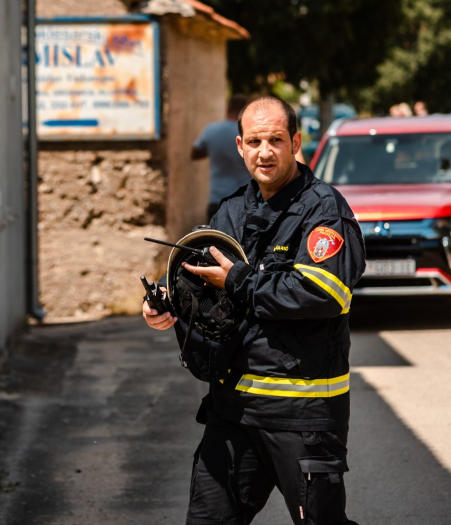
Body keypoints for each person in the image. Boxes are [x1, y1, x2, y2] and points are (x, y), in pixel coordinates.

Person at [145, 95, 365, 525]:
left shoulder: (324, 209)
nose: (265, 152)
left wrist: (238, 280)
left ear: (295, 143)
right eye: (255, 141)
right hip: (233, 412)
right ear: (240, 146)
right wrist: (164, 303)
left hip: (301, 416)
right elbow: (196, 281)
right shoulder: (231, 211)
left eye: (276, 140)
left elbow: (323, 293)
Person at [192, 95, 251, 221]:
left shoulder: (211, 130)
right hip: (246, 200)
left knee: (216, 234)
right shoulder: (250, 133)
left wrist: (215, 150)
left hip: (217, 200)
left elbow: (194, 154)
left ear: (227, 109)